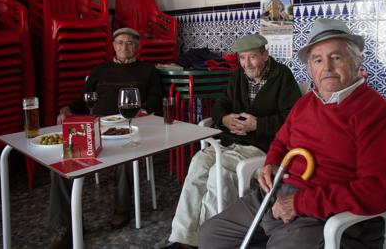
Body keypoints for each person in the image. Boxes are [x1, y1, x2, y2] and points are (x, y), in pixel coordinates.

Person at [199, 19, 386, 249]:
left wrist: (300, 203)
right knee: (211, 235)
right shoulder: (307, 102)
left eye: (336, 57)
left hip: (324, 215)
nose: (326, 67)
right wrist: (271, 162)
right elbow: (280, 140)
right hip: (276, 195)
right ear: (310, 68)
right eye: (317, 60)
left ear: (357, 61)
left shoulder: (376, 113)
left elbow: (377, 192)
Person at [163, 34, 301, 249]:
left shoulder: (282, 76)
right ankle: (183, 237)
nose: (247, 63)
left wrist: (259, 125)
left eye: (253, 57)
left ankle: (207, 239)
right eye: (242, 58)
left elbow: (293, 120)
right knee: (198, 163)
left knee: (221, 171)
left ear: (265, 54)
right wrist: (225, 119)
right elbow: (221, 105)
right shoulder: (238, 75)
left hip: (260, 146)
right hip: (229, 141)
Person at [49, 27, 162, 249]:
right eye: (119, 42)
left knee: (126, 155)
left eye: (129, 43)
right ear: (113, 45)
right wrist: (67, 109)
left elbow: (156, 98)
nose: (124, 47)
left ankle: (122, 209)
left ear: (138, 46)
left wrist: (143, 111)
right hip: (96, 125)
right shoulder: (100, 70)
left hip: (129, 124)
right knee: (62, 164)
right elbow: (84, 99)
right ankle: (67, 228)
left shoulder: (148, 70)